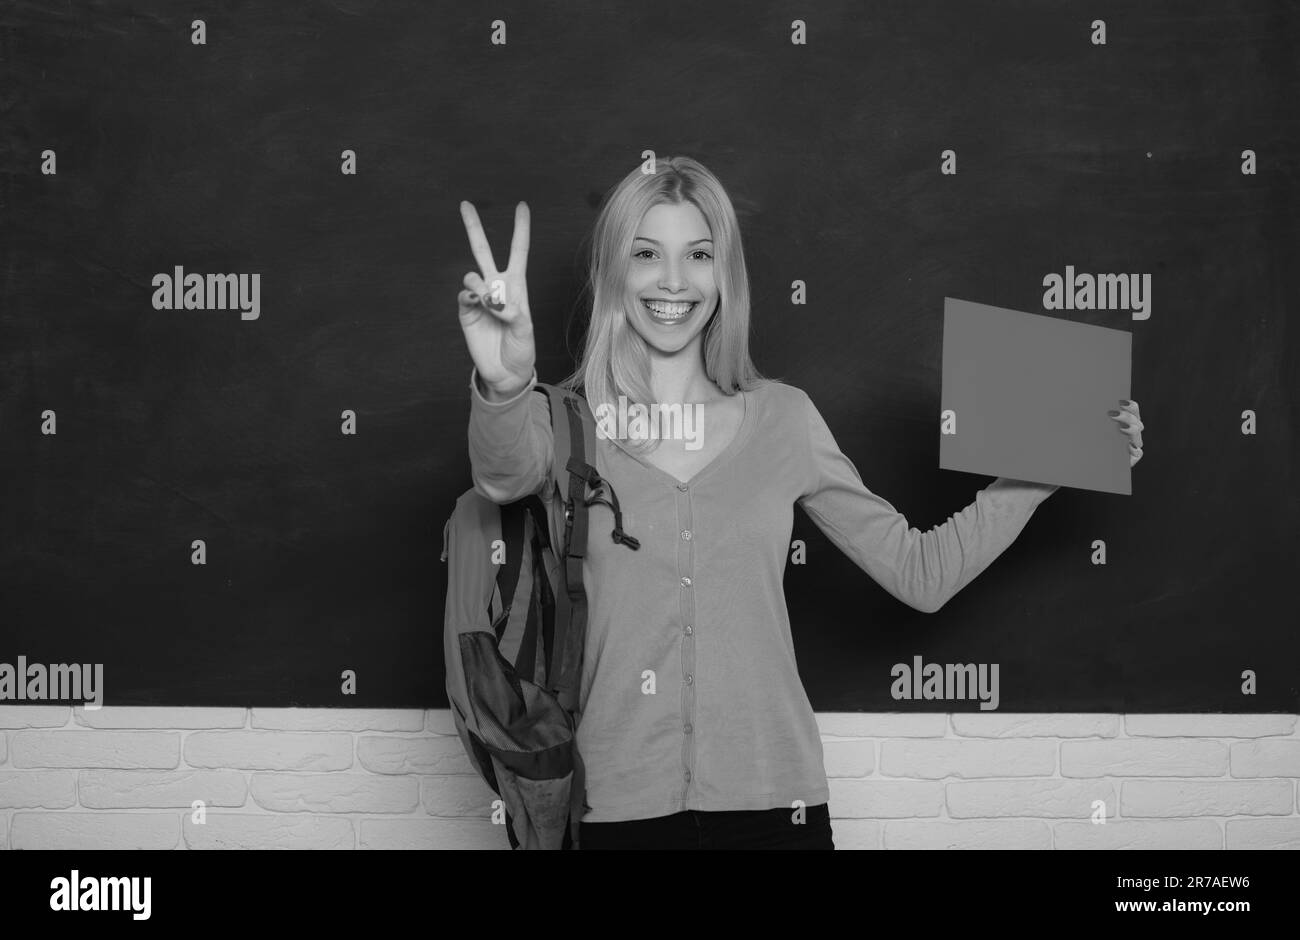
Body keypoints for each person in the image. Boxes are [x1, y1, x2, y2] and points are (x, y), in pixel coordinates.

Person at [454, 156, 1145, 850]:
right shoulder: (563, 422)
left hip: (776, 814)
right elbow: (502, 476)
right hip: (613, 816)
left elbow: (919, 572)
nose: (673, 280)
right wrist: (507, 384)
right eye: (645, 254)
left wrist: (1047, 467)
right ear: (614, 273)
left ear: (724, 274)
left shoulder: (785, 420)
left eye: (698, 254)